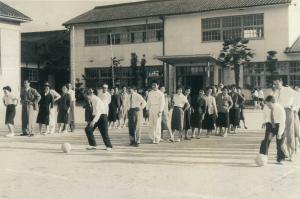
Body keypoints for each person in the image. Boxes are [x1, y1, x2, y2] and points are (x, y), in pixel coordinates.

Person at [272, 78, 298, 161]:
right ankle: (284, 153)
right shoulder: (275, 92)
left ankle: (292, 154)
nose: (275, 85)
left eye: (276, 83)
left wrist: (294, 107)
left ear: (281, 82)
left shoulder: (287, 90)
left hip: (288, 111)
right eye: (274, 84)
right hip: (279, 113)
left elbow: (298, 96)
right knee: (280, 133)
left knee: (290, 133)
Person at [260, 95, 286, 164]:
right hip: (270, 126)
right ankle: (263, 156)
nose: (267, 106)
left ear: (273, 102)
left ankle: (280, 159)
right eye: (266, 104)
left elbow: (282, 122)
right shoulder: (266, 106)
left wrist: (279, 133)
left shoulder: (280, 109)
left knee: (279, 143)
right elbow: (265, 115)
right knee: (266, 140)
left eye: (269, 105)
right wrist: (264, 122)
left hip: (279, 126)